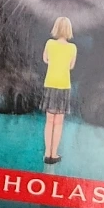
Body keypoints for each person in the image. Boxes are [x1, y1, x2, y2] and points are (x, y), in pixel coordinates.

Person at [40, 16, 76, 165]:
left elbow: (45, 59)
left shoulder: (49, 43)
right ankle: (54, 154)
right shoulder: (72, 48)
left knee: (49, 121)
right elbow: (71, 66)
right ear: (69, 30)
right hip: (63, 85)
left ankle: (46, 153)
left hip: (50, 83)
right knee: (59, 122)